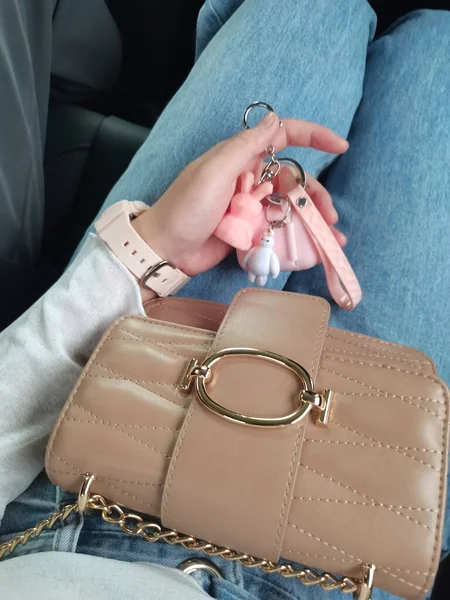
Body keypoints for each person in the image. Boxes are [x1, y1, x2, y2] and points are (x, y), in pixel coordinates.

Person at [0, 1, 449, 599]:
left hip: (79, 481)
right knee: (440, 57)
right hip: (334, 564)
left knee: (314, 11)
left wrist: (148, 255)